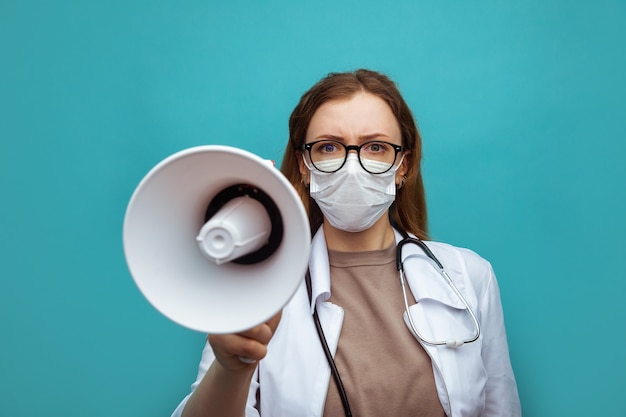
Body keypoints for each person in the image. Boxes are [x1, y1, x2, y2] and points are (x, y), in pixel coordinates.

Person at [172, 69, 521, 417]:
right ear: (304, 164)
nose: (351, 167)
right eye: (328, 147)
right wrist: (232, 369)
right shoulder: (257, 284)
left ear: (403, 164)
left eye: (376, 147)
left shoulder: (468, 276)